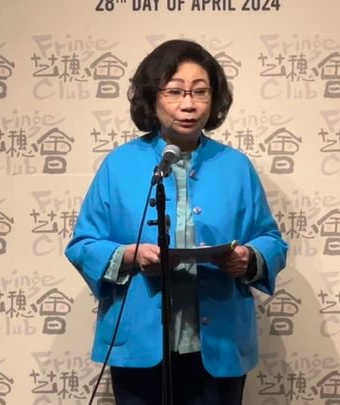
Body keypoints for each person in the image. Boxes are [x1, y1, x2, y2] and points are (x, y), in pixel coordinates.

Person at [65, 39, 288, 405]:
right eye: (174, 92)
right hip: (139, 343)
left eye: (200, 91)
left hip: (219, 344)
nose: (189, 104)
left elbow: (270, 239)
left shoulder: (235, 166)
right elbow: (83, 244)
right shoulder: (120, 164)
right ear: (152, 98)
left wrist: (249, 258)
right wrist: (131, 255)